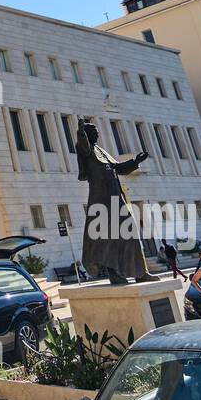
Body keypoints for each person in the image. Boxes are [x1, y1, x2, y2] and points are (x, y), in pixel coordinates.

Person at [75, 117, 153, 285]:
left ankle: (140, 272)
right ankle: (114, 273)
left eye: (97, 132)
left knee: (130, 232)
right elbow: (83, 144)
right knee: (108, 238)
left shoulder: (101, 151)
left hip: (116, 198)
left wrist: (136, 161)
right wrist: (80, 131)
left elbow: (119, 168)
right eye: (93, 132)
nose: (97, 134)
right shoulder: (86, 149)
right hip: (101, 200)